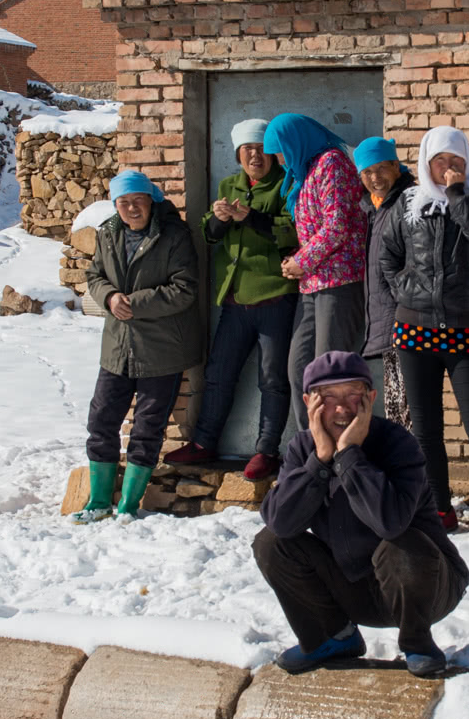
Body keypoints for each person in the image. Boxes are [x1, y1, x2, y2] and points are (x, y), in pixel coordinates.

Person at [254, 351, 469, 678]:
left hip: (429, 585)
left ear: (370, 398)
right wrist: (320, 460)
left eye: (352, 395)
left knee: (400, 543)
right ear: (308, 402)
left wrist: (349, 455)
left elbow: (390, 523)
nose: (342, 409)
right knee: (270, 543)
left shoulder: (398, 443)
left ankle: (418, 642)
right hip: (353, 585)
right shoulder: (302, 448)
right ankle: (333, 637)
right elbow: (281, 523)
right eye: (328, 397)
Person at [376, 126, 469, 534]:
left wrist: (457, 193)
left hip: (466, 329)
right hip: (414, 330)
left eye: (457, 160)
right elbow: (387, 257)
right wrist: (407, 290)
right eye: (441, 160)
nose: (449, 167)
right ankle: (438, 510)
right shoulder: (407, 204)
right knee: (426, 428)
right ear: (426, 162)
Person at [164, 118, 298, 480]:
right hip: (235, 299)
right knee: (219, 374)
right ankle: (203, 442)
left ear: (273, 153)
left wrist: (250, 217)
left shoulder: (286, 185)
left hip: (274, 297)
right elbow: (209, 234)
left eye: (262, 149)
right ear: (238, 154)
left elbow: (292, 232)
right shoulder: (229, 185)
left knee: (272, 379)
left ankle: (266, 450)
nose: (255, 156)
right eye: (247, 150)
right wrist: (220, 219)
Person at [72, 170, 201, 523]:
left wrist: (134, 303)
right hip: (117, 347)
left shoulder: (173, 235)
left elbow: (184, 288)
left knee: (147, 427)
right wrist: (110, 297)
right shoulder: (108, 234)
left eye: (138, 201)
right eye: (124, 202)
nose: (131, 209)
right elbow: (95, 275)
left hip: (161, 348)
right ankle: (99, 500)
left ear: (151, 201)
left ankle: (129, 504)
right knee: (101, 419)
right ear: (115, 205)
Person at [261, 113, 369, 438]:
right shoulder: (306, 171)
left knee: (330, 375)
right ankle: (311, 447)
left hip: (339, 282)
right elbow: (313, 229)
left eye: (280, 152)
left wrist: (302, 261)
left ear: (296, 142)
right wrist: (297, 261)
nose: (279, 160)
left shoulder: (331, 164)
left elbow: (337, 225)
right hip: (312, 284)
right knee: (300, 370)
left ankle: (341, 453)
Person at [353, 135, 414, 434]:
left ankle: (410, 461)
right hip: (388, 320)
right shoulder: (374, 208)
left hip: (405, 318)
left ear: (396, 166)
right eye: (367, 172)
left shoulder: (407, 203)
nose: (375, 178)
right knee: (397, 405)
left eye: (381, 168)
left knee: (405, 406)